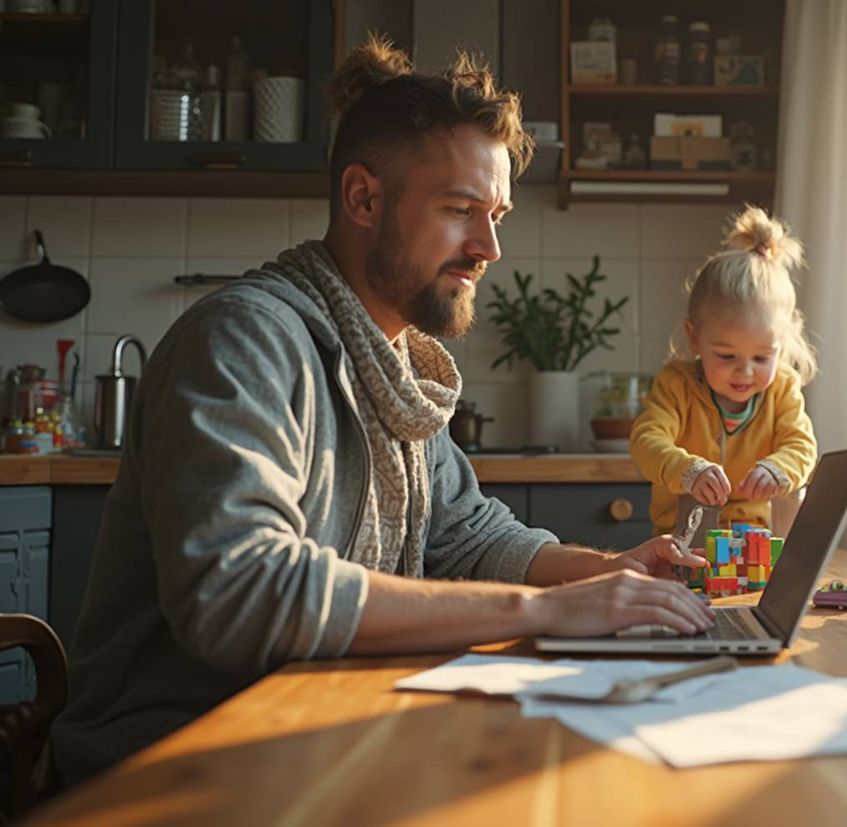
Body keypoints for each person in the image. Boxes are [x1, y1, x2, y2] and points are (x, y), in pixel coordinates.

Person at [51, 38, 713, 786]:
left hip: (314, 738)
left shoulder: (394, 366)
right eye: (461, 209)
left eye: (495, 214)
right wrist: (542, 609)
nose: (489, 246)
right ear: (363, 198)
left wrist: (605, 572)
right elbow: (241, 592)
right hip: (166, 769)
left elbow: (465, 534)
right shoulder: (247, 339)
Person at [630, 206, 819, 535]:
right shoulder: (677, 384)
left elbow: (802, 447)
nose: (745, 372)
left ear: (782, 345)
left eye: (762, 358)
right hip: (681, 540)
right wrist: (687, 470)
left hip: (758, 540)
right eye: (727, 356)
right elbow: (646, 441)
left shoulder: (783, 388)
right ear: (695, 338)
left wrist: (778, 469)